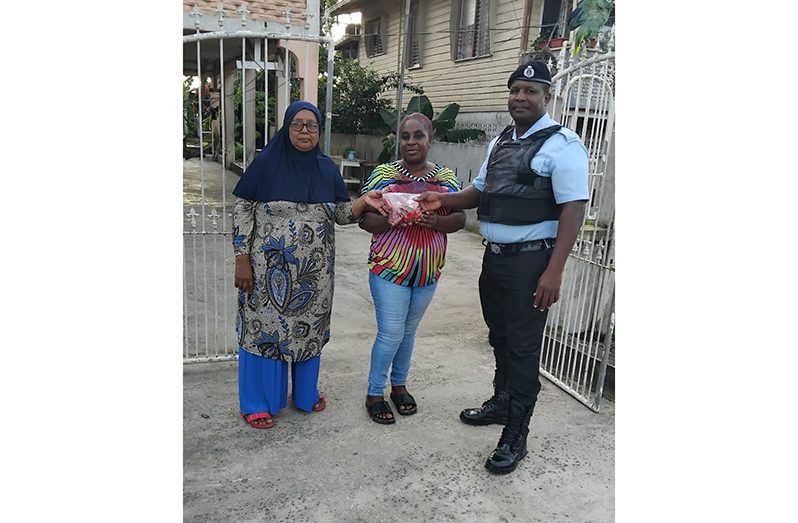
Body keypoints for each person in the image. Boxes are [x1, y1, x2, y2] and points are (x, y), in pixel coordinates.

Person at [415, 61, 589, 473]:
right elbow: (481, 190)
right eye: (515, 90)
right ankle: (501, 403)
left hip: (533, 262)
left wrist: (554, 270)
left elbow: (573, 208)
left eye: (530, 90)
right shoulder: (500, 142)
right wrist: (445, 201)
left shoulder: (564, 144)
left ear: (547, 97)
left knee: (523, 350)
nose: (520, 97)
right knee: (499, 338)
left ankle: (516, 435)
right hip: (494, 259)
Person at [231, 101, 383, 429]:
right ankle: (259, 401)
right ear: (286, 128)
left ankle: (304, 394)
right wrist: (241, 258)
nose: (304, 131)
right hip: (265, 272)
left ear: (319, 130)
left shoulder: (326, 168)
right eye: (297, 124)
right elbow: (243, 210)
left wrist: (363, 201)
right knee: (263, 332)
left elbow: (342, 214)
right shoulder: (266, 165)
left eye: (311, 125)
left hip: (314, 277)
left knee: (308, 332)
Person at [359, 113, 466, 424]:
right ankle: (374, 392)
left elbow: (459, 218)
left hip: (427, 272)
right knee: (391, 333)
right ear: (398, 140)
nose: (411, 142)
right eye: (405, 136)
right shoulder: (383, 175)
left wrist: (437, 221)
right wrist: (395, 216)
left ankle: (399, 386)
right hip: (390, 268)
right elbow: (365, 219)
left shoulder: (446, 178)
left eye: (418, 136)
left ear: (429, 140)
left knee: (407, 333)